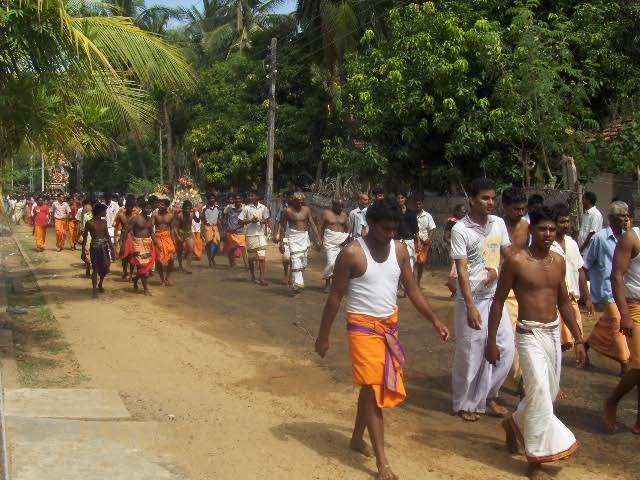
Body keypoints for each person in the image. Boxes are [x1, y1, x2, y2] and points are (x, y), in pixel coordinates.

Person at [314, 198, 450, 480]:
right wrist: (323, 336)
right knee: (375, 388)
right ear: (371, 224)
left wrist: (435, 320)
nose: (391, 234)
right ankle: (382, 463)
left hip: (389, 328)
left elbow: (412, 290)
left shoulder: (400, 251)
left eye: (394, 229)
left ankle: (356, 438)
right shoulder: (351, 253)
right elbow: (335, 297)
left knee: (369, 388)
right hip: (362, 330)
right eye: (385, 229)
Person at [486, 206, 585, 480]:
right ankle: (536, 461)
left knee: (547, 393)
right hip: (528, 334)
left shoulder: (558, 260)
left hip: (552, 333)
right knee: (540, 394)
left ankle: (514, 422)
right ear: (532, 230)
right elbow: (498, 302)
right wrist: (491, 341)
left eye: (552, 229)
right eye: (542, 229)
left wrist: (578, 338)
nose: (548, 234)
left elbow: (564, 301)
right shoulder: (516, 261)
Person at [450, 177, 514, 421]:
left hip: (495, 297)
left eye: (493, 198)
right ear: (472, 199)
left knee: (505, 348)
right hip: (472, 298)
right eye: (485, 198)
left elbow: (508, 254)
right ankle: (464, 403)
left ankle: (487, 396)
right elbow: (462, 269)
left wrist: (497, 270)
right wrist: (470, 306)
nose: (490, 202)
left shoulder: (498, 223)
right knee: (471, 353)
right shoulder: (460, 230)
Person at [583, 201, 631, 375]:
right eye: (622, 216)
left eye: (627, 216)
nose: (626, 219)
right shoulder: (600, 238)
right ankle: (625, 363)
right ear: (612, 218)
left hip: (624, 290)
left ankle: (587, 344)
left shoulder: (628, 238)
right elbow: (585, 266)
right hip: (606, 290)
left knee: (608, 322)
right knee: (617, 321)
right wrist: (587, 296)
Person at [607, 219, 640, 433]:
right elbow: (616, 275)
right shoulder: (632, 238)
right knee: (639, 365)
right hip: (635, 307)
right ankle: (612, 401)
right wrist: (625, 314)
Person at [500, 187, 532, 398]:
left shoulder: (528, 229)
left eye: (523, 209)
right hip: (494, 286)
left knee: (516, 334)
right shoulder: (495, 225)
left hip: (518, 288)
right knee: (497, 337)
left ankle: (521, 380)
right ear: (505, 206)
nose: (520, 212)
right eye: (515, 209)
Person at [550, 203, 593, 350]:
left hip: (571, 299)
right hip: (553, 301)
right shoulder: (547, 245)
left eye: (568, 221)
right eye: (562, 222)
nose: (566, 225)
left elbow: (580, 270)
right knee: (557, 341)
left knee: (576, 337)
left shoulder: (572, 243)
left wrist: (587, 298)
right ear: (554, 222)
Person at [279, 191, 321, 294]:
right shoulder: (288, 211)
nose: (300, 203)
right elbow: (283, 227)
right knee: (295, 261)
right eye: (298, 201)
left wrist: (318, 237)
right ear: (293, 201)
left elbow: (312, 223)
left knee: (303, 261)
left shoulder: (306, 209)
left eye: (302, 201)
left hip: (304, 238)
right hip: (293, 238)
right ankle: (296, 287)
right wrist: (281, 243)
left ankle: (299, 282)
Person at [81, 202, 116, 298]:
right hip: (95, 248)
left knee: (105, 267)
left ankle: (100, 283)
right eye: (104, 211)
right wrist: (83, 252)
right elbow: (84, 239)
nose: (106, 213)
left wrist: (112, 248)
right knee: (95, 268)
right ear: (100, 212)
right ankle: (94, 289)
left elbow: (107, 236)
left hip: (104, 247)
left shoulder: (104, 222)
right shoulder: (89, 223)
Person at [121, 202, 156, 296]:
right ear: (143, 208)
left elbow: (151, 232)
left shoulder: (149, 219)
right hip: (137, 244)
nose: (149, 210)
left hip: (148, 244)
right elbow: (126, 231)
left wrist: (158, 244)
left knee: (147, 267)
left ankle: (135, 279)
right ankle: (145, 289)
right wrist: (123, 245)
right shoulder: (135, 218)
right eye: (147, 208)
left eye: (150, 208)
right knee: (142, 265)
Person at [319, 198, 351, 292]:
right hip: (330, 242)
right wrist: (319, 240)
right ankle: (327, 283)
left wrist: (346, 237)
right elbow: (320, 227)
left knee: (341, 264)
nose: (341, 208)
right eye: (339, 206)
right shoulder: (326, 213)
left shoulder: (344, 214)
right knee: (331, 263)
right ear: (334, 205)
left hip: (342, 241)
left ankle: (337, 284)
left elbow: (349, 228)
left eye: (342, 206)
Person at [238, 190, 270, 286]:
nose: (250, 197)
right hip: (250, 235)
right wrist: (250, 221)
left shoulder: (263, 208)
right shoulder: (246, 208)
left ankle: (262, 278)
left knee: (262, 256)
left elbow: (266, 220)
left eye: (252, 196)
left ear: (257, 197)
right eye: (250, 196)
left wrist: (262, 222)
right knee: (252, 258)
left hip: (260, 234)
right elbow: (240, 221)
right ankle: (252, 276)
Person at [151, 199, 177, 286]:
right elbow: (151, 229)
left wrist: (174, 240)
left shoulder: (171, 215)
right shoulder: (155, 214)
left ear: (167, 206)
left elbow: (172, 228)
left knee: (171, 259)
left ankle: (167, 277)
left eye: (162, 204)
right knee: (159, 259)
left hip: (167, 238)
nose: (159, 206)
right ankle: (162, 279)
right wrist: (155, 241)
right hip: (158, 237)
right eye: (159, 204)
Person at [444, 204, 466, 294]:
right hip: (454, 250)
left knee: (461, 270)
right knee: (455, 271)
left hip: (465, 249)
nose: (464, 214)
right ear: (456, 212)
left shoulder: (467, 223)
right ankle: (454, 288)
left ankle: (458, 290)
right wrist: (455, 245)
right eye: (462, 212)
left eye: (465, 212)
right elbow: (446, 237)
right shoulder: (452, 222)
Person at [415, 197, 436, 288]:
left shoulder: (427, 215)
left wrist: (429, 239)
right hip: (414, 241)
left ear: (422, 205)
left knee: (421, 263)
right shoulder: (411, 215)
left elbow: (432, 228)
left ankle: (418, 282)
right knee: (414, 263)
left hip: (424, 243)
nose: (418, 206)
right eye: (416, 204)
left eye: (419, 204)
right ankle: (414, 284)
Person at [396, 192, 418, 278]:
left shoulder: (411, 212)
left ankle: (408, 283)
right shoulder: (394, 212)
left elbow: (415, 227)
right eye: (398, 198)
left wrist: (418, 241)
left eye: (402, 198)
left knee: (410, 262)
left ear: (405, 199)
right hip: (397, 240)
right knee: (397, 263)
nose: (400, 200)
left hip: (409, 240)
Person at [174, 200, 200, 274]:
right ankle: (180, 265)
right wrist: (177, 236)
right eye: (186, 209)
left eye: (189, 208)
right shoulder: (179, 215)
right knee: (179, 251)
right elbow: (175, 227)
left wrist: (199, 214)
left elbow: (197, 221)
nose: (187, 210)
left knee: (191, 249)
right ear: (183, 208)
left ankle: (188, 267)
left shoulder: (192, 214)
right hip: (180, 233)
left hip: (188, 233)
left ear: (191, 208)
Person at [114, 199, 137, 280]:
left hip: (133, 236)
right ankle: (125, 271)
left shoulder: (135, 216)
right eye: (128, 206)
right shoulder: (121, 215)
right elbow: (116, 226)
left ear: (133, 208)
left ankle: (131, 274)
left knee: (132, 255)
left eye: (131, 207)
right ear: (125, 207)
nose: (130, 208)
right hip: (123, 236)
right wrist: (115, 237)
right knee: (123, 255)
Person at [273, 191, 293, 285]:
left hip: (296, 236)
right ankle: (285, 274)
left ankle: (291, 276)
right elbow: (277, 222)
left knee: (294, 257)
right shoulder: (282, 208)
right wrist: (275, 235)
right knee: (286, 257)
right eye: (290, 197)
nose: (291, 199)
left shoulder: (300, 208)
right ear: (287, 197)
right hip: (285, 235)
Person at [224, 195, 247, 269]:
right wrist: (227, 225)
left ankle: (246, 265)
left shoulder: (244, 208)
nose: (237, 201)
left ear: (241, 200)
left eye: (239, 199)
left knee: (243, 248)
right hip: (231, 232)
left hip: (240, 231)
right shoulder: (229, 207)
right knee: (232, 249)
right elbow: (224, 215)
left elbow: (245, 220)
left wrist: (236, 227)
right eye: (236, 199)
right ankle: (232, 263)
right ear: (234, 200)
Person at [202, 195, 221, 267]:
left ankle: (212, 258)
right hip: (207, 227)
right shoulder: (204, 208)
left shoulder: (217, 207)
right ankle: (210, 260)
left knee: (217, 244)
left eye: (213, 198)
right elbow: (202, 218)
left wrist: (220, 227)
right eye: (210, 198)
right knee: (209, 244)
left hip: (215, 227)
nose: (212, 199)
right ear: (208, 199)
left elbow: (218, 218)